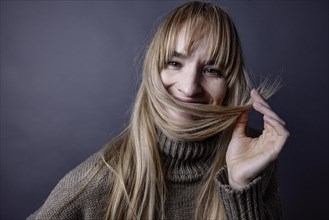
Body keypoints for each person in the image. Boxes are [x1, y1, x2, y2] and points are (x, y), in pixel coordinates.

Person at [27, 1, 289, 220]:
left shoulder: (253, 158)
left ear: (229, 84)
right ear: (153, 70)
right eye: (175, 63)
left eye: (212, 70)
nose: (189, 88)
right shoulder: (100, 178)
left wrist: (241, 187)